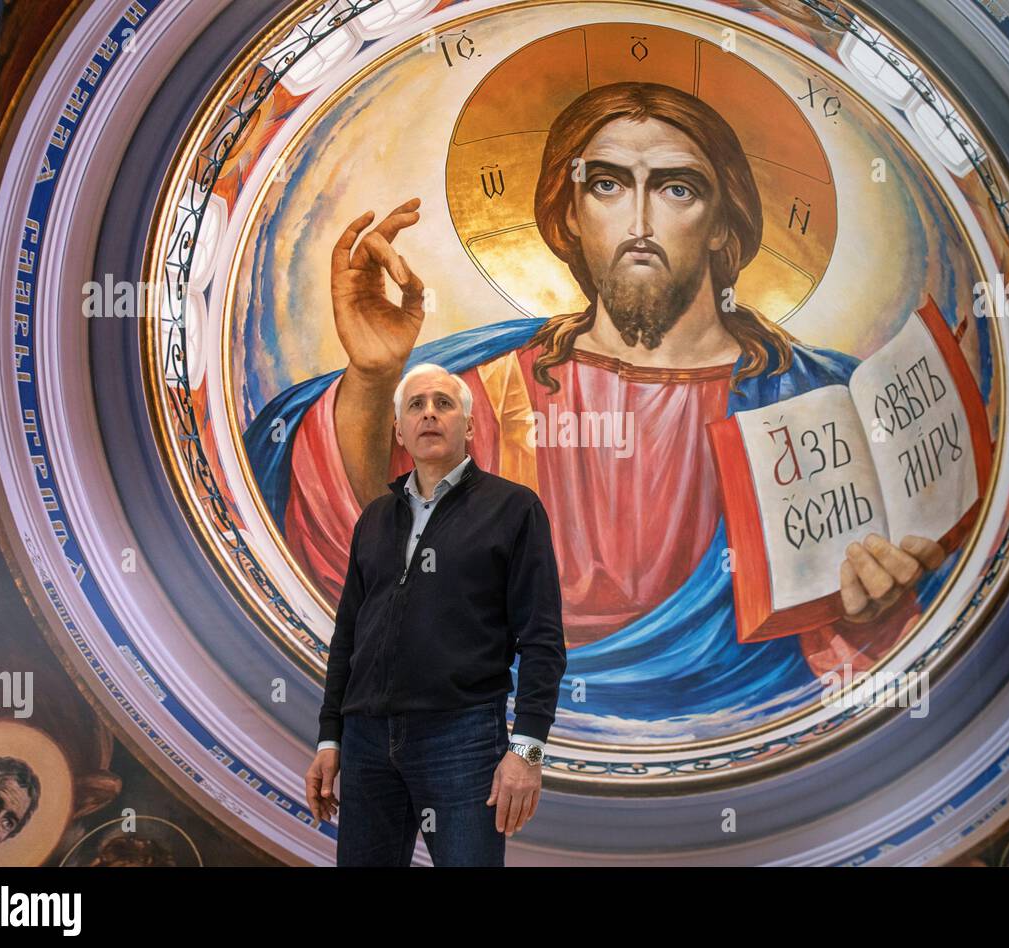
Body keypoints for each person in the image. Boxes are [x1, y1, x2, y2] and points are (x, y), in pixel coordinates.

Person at [251, 81, 946, 733]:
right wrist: (374, 382)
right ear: (569, 216)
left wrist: (870, 605)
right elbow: (363, 556)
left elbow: (890, 640)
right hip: (495, 721)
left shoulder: (822, 400)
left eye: (677, 188)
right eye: (607, 185)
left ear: (719, 224)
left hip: (734, 738)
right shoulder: (485, 389)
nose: (639, 220)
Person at [303, 363, 567, 866]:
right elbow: (348, 638)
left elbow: (543, 641)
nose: (430, 414)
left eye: (444, 404)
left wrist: (528, 751)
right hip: (365, 740)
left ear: (468, 426)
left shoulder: (513, 509)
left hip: (462, 737)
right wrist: (330, 735)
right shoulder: (375, 516)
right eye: (416, 405)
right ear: (399, 429)